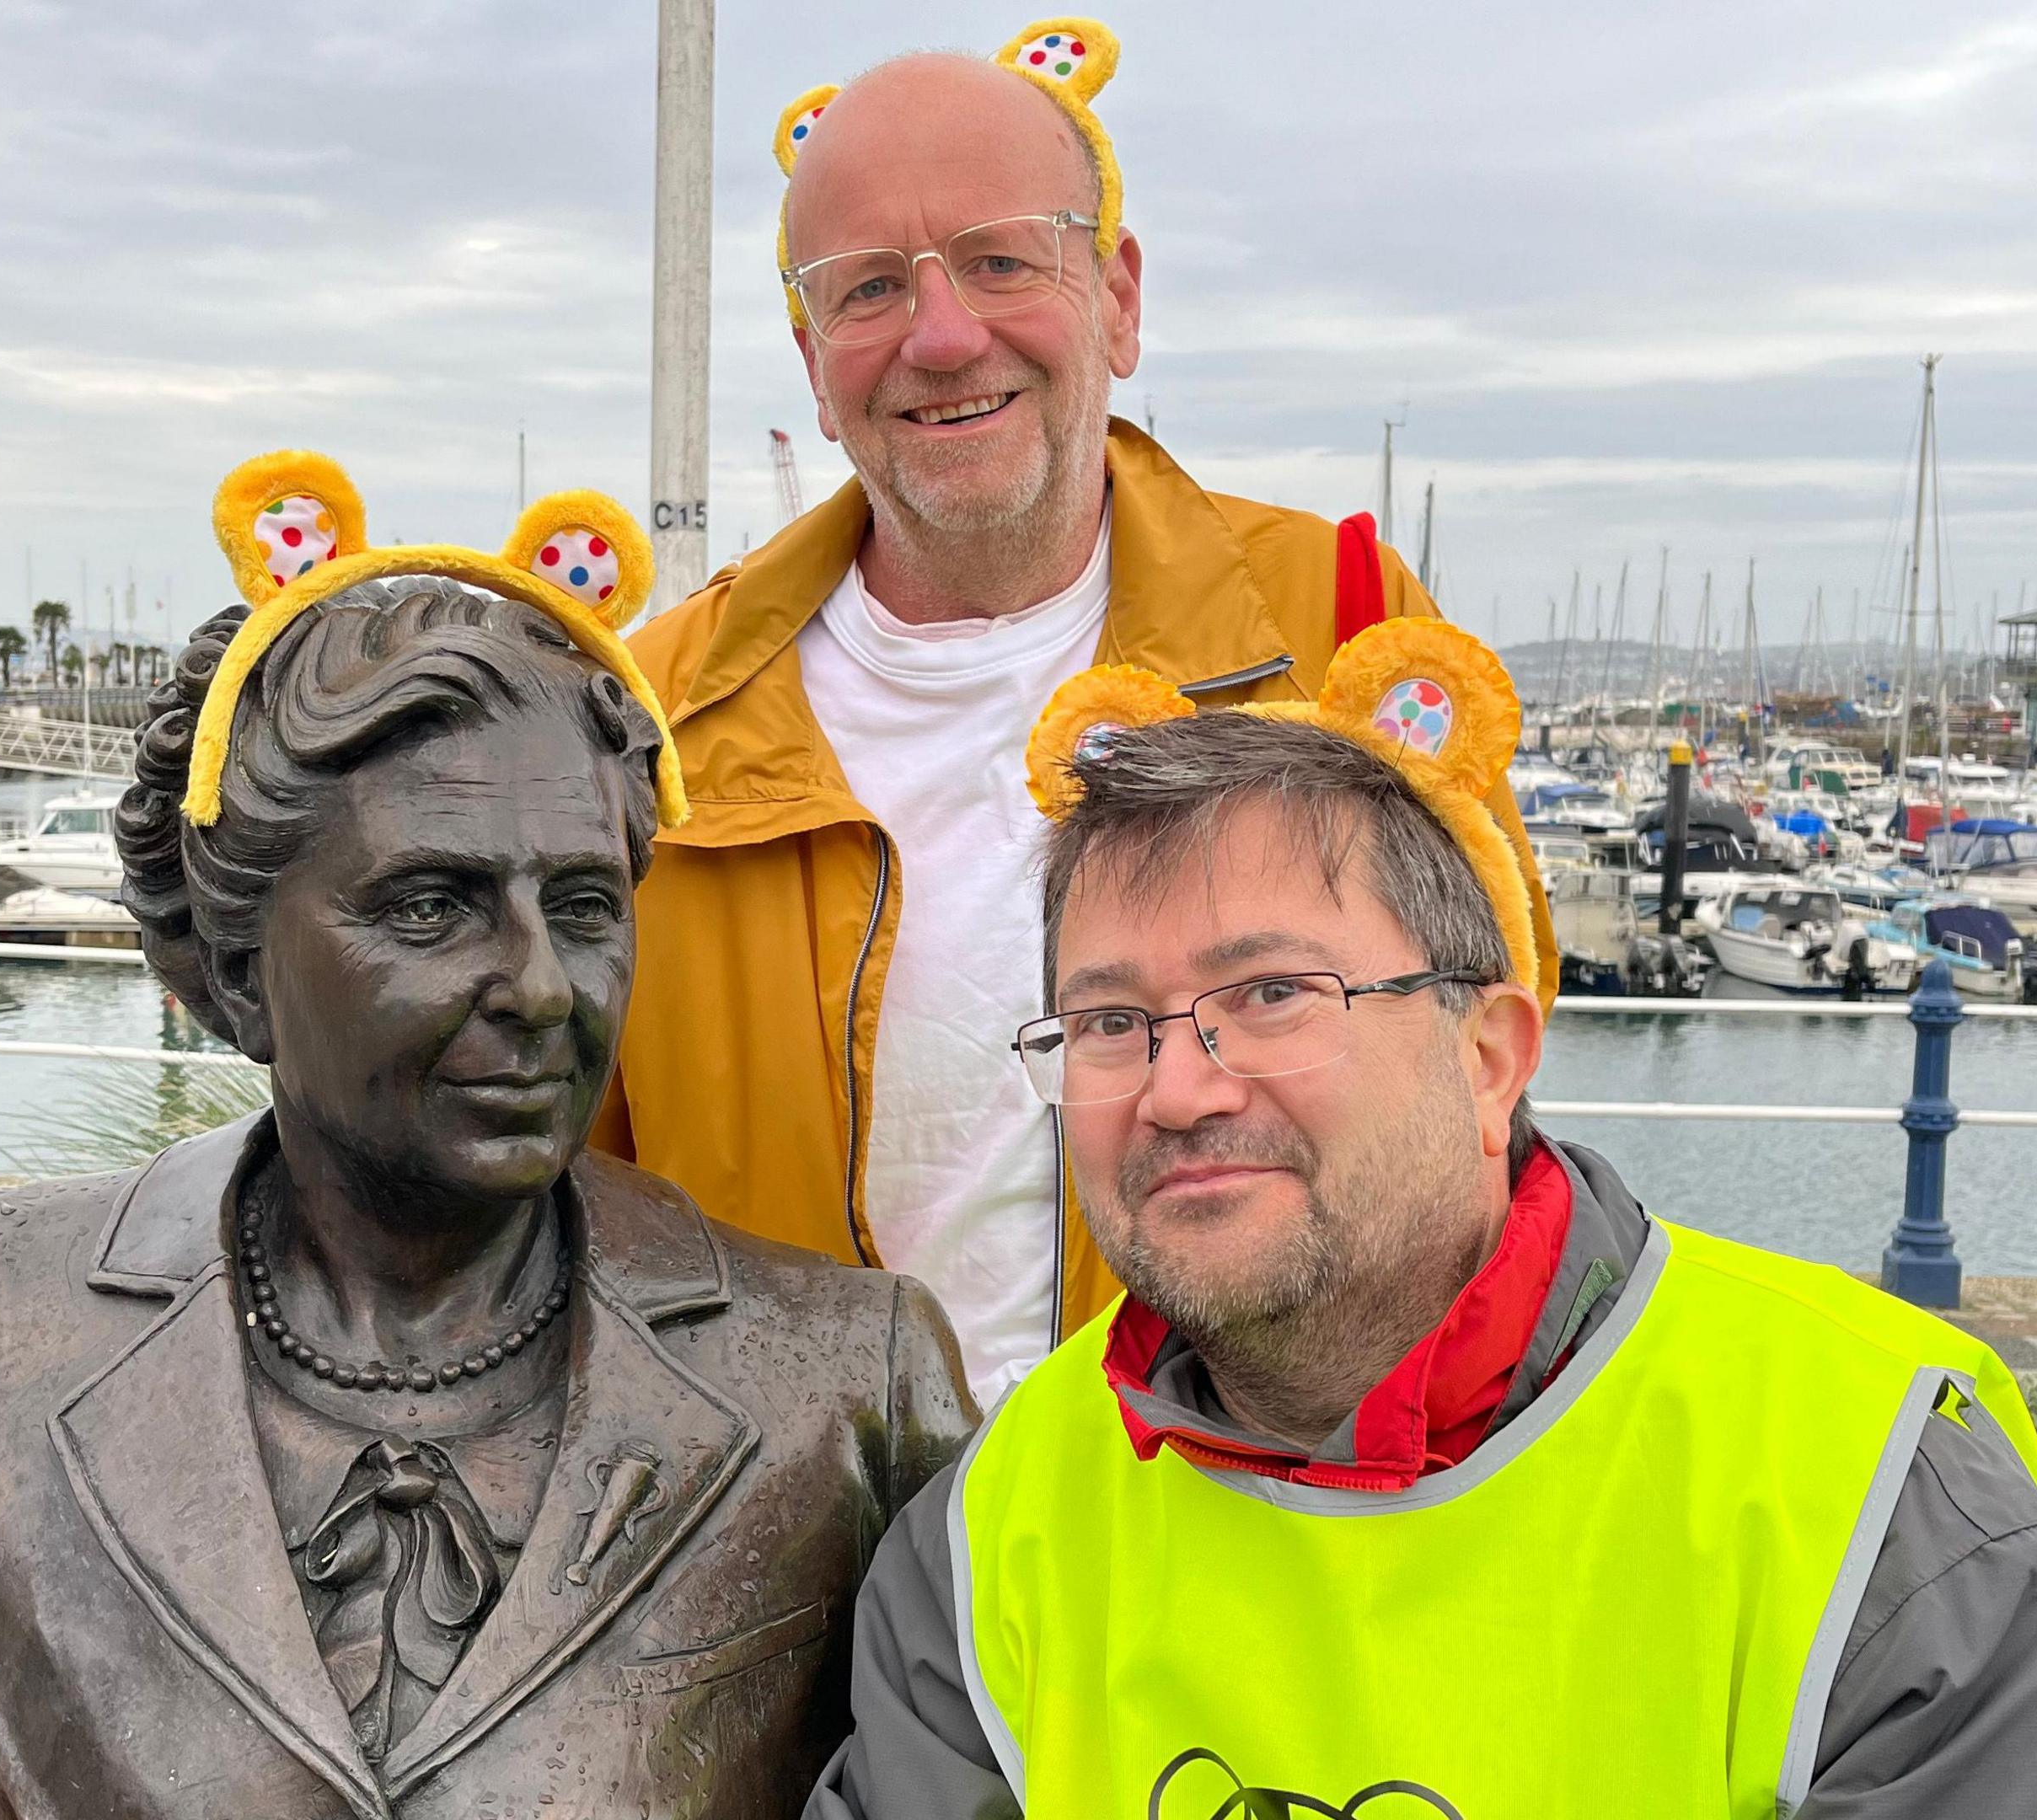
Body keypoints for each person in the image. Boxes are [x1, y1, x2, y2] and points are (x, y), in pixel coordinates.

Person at [0, 455, 971, 1819]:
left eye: (582, 905)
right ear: (234, 964)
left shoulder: (845, 1381)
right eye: (432, 905)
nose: (536, 987)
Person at [810, 621, 2037, 1817]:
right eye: (1113, 1023)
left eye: (1273, 995)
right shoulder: (1000, 1528)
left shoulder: (1867, 1494)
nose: (1176, 1088)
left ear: (1488, 1057)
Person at [604, 17, 1542, 1403]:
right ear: (810, 356)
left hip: (1237, 1512)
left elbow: (1487, 1097)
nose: (940, 335)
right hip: (780, 1552)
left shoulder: (1336, 626)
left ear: (1117, 295)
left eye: (999, 260)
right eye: (866, 290)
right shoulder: (646, 716)